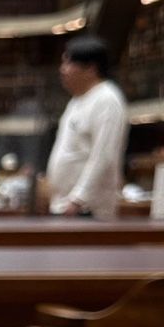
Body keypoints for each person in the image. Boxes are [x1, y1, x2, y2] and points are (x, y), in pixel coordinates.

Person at [44, 37, 128, 218]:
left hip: (86, 209)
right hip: (64, 204)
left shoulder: (107, 99)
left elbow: (104, 155)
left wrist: (78, 198)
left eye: (68, 63)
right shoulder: (77, 100)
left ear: (90, 68)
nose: (62, 70)